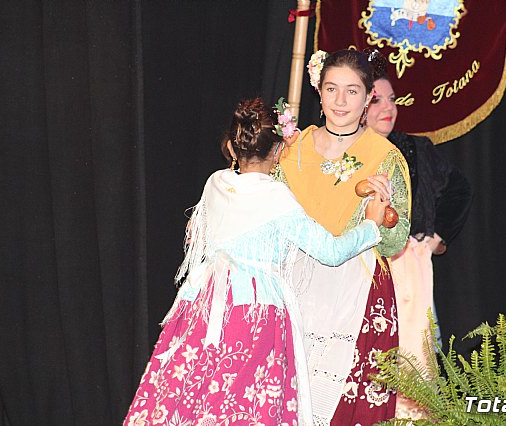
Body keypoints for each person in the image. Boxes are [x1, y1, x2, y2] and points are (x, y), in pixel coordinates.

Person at [123, 98, 391, 426]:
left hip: (203, 306)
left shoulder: (216, 184)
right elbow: (330, 252)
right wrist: (371, 225)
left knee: (192, 395)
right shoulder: (277, 198)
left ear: (234, 147)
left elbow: (197, 236)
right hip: (254, 312)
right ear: (278, 151)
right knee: (246, 405)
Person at [276, 49, 412, 425]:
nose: (340, 101)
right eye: (332, 88)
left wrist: (378, 212)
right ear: (318, 91)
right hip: (295, 287)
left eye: (352, 91)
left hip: (359, 290)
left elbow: (395, 241)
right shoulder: (292, 151)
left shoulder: (384, 157)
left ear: (369, 96)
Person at [365, 52, 473, 401]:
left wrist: (435, 239)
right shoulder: (343, 151)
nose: (388, 108)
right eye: (376, 99)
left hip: (407, 268)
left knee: (412, 359)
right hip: (357, 267)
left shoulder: (415, 148)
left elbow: (460, 189)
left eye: (392, 99)